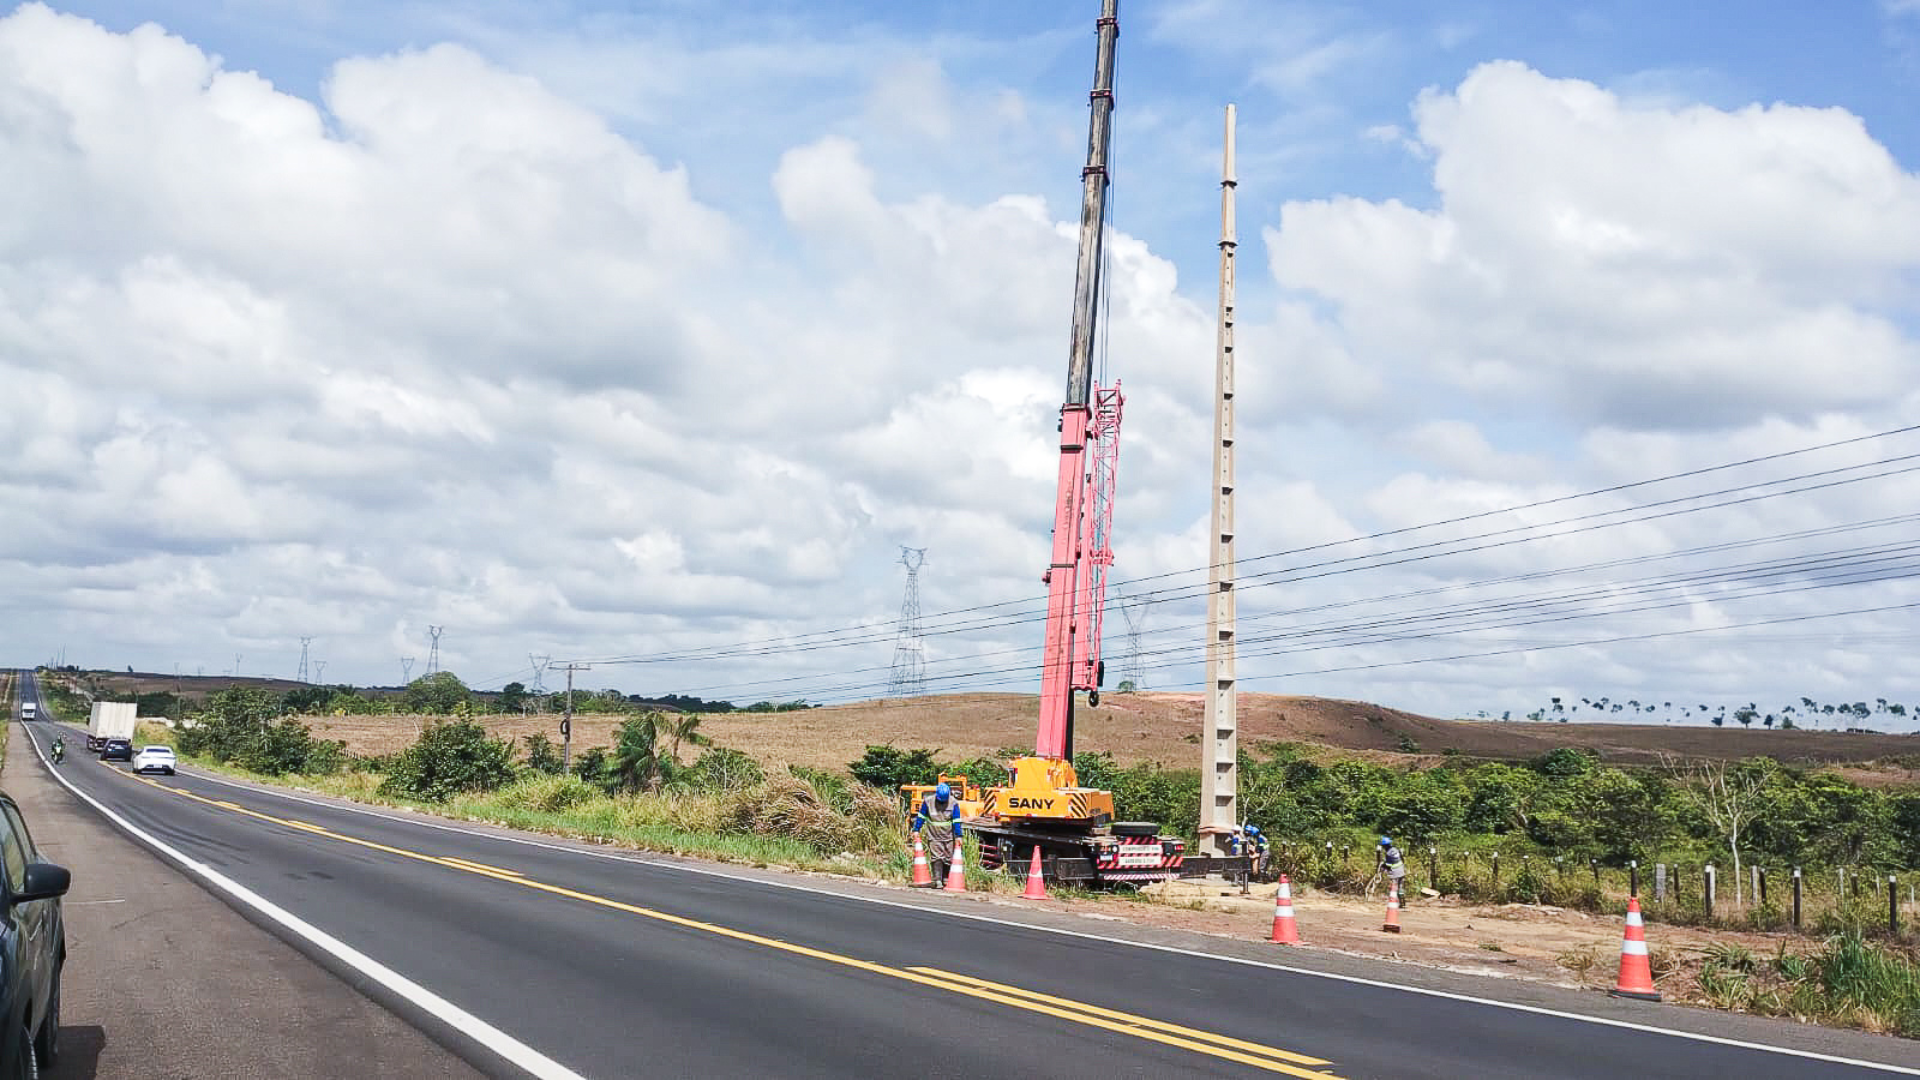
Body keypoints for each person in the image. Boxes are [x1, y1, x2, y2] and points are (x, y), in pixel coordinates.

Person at [912, 782, 964, 883]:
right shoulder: (928, 801)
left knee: (948, 857)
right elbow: (921, 816)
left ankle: (945, 879)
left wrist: (959, 836)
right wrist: (916, 829)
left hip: (948, 836)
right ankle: (937, 879)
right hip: (934, 835)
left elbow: (956, 820)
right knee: (936, 857)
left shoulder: (953, 803)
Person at [1378, 835, 1407, 900]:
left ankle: (1396, 899)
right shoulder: (1395, 849)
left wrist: (1383, 866)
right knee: (1400, 885)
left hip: (1395, 872)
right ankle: (1402, 898)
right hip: (1401, 870)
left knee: (1394, 885)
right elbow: (1402, 859)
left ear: (1385, 846)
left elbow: (1388, 865)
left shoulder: (1388, 853)